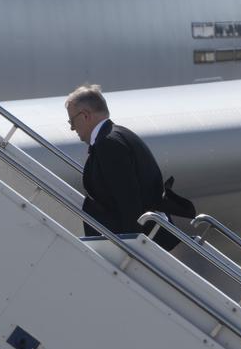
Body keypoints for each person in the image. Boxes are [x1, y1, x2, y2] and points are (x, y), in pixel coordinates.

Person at [65, 84, 193, 250]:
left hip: (139, 244)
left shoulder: (108, 144)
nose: (72, 128)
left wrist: (131, 246)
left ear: (85, 116)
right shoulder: (120, 134)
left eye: (72, 121)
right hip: (145, 237)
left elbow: (128, 199)